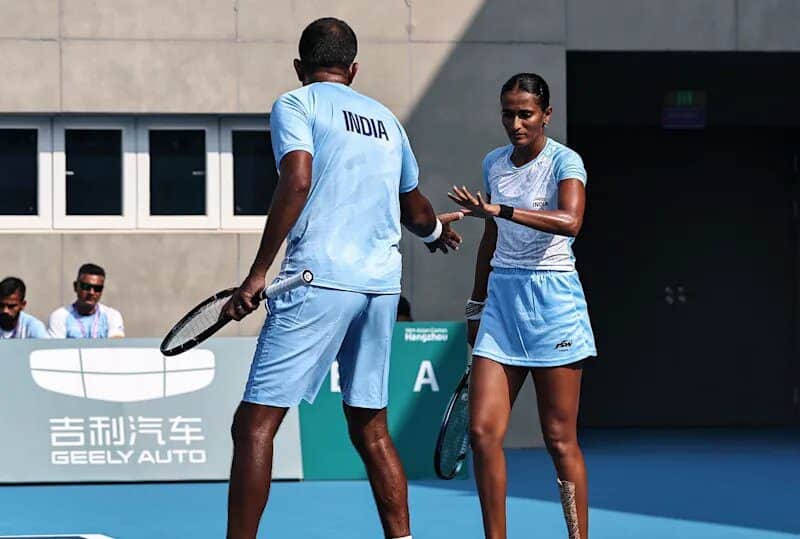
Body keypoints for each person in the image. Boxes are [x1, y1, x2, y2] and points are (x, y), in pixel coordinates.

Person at [221, 17, 462, 539]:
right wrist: (437, 230)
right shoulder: (387, 120)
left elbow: (298, 178)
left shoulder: (296, 104)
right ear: (353, 70)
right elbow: (415, 208)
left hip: (319, 278)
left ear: (298, 67)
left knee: (254, 424)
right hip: (380, 288)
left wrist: (258, 272)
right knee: (370, 426)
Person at [448, 73, 596, 539]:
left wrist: (501, 210)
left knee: (559, 439)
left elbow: (571, 222)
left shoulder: (565, 162)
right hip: (501, 306)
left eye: (525, 114)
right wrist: (475, 305)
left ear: (546, 115)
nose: (515, 123)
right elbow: (490, 238)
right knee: (483, 435)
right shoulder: (494, 164)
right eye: (508, 114)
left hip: (554, 303)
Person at [48, 263, 125, 339]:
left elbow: (115, 348)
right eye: (86, 287)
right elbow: (56, 350)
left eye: (97, 288)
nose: (91, 292)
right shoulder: (60, 316)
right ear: (75, 286)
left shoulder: (112, 316)